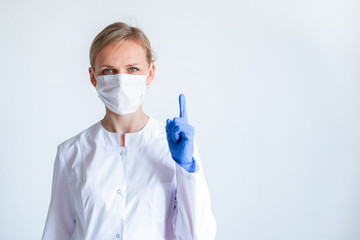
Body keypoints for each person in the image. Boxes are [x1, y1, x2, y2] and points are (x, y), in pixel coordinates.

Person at [42, 22, 216, 240]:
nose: (122, 80)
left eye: (133, 69)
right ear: (93, 77)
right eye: (108, 71)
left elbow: (198, 235)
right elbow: (56, 233)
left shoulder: (175, 145)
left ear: (150, 73)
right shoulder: (71, 153)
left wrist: (186, 167)